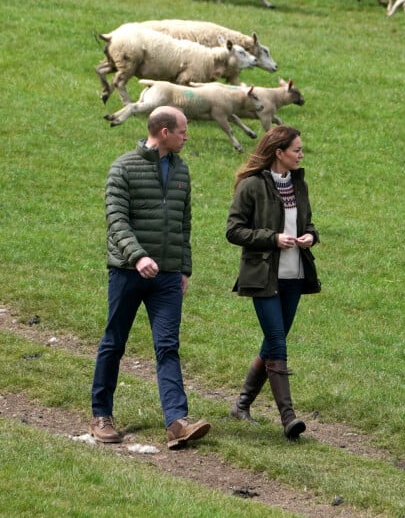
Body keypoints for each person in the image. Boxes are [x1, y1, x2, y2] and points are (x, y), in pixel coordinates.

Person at [90, 106, 211, 449]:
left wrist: (183, 267)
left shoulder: (181, 170)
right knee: (114, 342)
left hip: (168, 277)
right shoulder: (123, 168)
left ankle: (176, 422)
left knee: (168, 346)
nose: (187, 136)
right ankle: (101, 415)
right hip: (127, 272)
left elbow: (183, 223)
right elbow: (116, 220)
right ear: (163, 132)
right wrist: (138, 255)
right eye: (183, 131)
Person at [226, 125, 321, 439]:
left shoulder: (298, 184)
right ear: (279, 152)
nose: (301, 154)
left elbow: (306, 223)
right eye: (296, 149)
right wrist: (273, 239)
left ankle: (241, 405)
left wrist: (310, 236)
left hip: (295, 275)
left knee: (272, 343)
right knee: (278, 343)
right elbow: (234, 231)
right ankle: (288, 418)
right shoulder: (251, 185)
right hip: (263, 277)